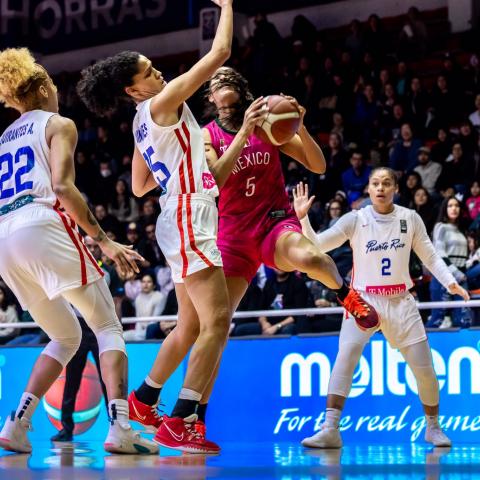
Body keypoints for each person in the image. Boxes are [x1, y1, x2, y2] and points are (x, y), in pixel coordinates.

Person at [77, 0, 234, 454]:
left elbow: (139, 185)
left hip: (175, 215)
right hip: (190, 213)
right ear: (133, 89)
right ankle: (180, 419)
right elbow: (220, 53)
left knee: (187, 325)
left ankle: (144, 401)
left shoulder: (139, 121)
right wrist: (226, 6)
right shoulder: (163, 103)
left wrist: (176, 156)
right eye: (148, 71)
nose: (158, 73)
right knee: (217, 322)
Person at [0, 48, 156, 454]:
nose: (56, 89)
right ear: (41, 88)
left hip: (5, 238)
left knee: (65, 337)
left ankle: (17, 424)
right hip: (41, 223)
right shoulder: (58, 123)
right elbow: (63, 188)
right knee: (107, 327)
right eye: (51, 83)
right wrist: (104, 240)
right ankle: (121, 428)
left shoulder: (3, 138)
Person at [292, 169, 469, 449]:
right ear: (368, 190)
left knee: (425, 370)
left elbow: (430, 256)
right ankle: (330, 429)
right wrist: (303, 218)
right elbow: (317, 245)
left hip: (401, 301)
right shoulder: (355, 219)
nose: (381, 188)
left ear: (395, 188)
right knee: (345, 359)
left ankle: (433, 427)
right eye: (375, 184)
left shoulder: (410, 218)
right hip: (362, 301)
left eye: (386, 183)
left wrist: (450, 283)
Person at [51, 313, 108, 443]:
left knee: (107, 381)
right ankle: (66, 428)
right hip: (77, 327)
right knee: (71, 381)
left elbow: (116, 301)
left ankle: (116, 425)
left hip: (99, 325)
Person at [426, 196, 472, 328]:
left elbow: (462, 257)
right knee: (437, 319)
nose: (454, 208)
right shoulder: (441, 227)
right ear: (445, 209)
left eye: (456, 206)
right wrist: (457, 274)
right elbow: (440, 254)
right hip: (444, 278)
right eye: (450, 206)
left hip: (461, 278)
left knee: (464, 319)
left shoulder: (461, 230)